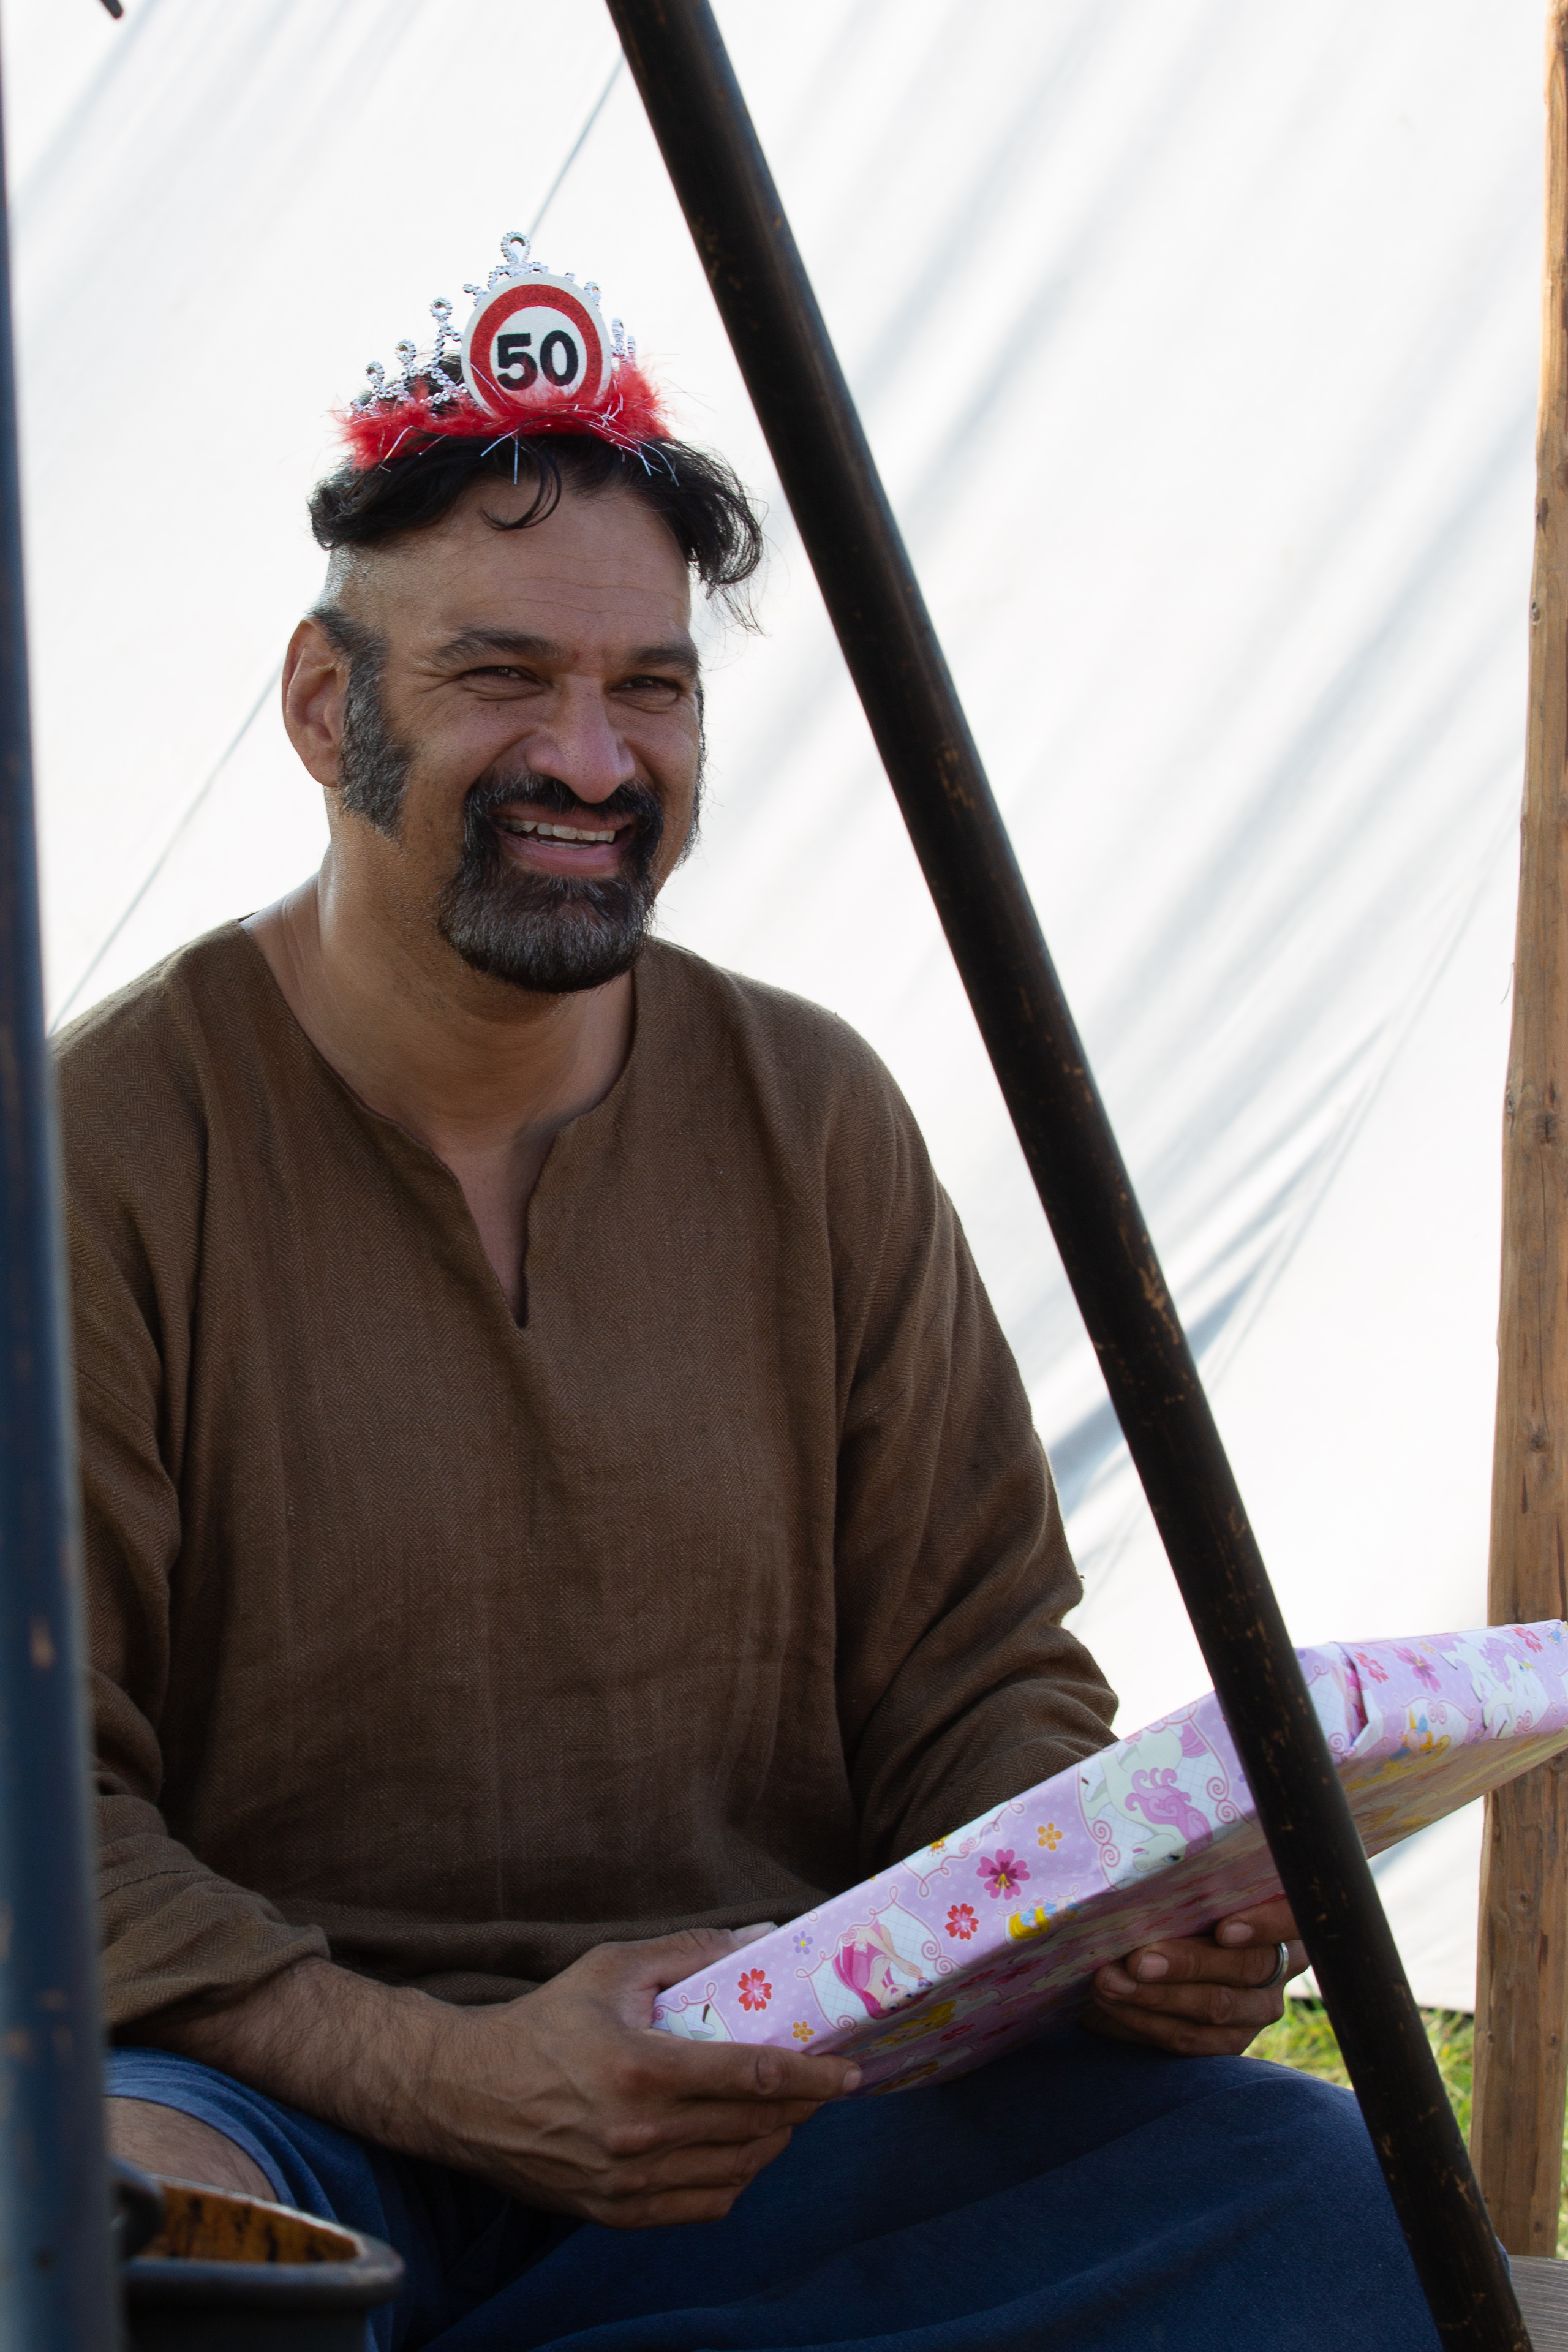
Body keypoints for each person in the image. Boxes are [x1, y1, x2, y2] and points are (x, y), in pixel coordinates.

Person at [71, 247, 1440, 2349]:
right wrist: (449, 2074)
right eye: (502, 677)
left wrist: (1117, 1921)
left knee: (1320, 2199)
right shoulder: (95, 1146)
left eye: (653, 689)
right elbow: (42, 1810)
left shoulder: (814, 1120)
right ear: (329, 707)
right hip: (288, 2101)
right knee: (119, 2237)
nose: (590, 758)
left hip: (770, 2114)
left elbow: (978, 1680)